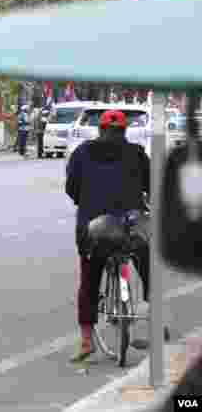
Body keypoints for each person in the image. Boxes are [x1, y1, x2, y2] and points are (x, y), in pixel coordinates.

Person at [65, 109, 152, 361]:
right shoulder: (136, 153)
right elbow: (150, 186)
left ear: (100, 130)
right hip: (129, 224)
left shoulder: (82, 152)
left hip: (95, 227)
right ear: (124, 132)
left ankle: (85, 341)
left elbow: (72, 189)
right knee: (144, 257)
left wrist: (87, 200)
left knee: (89, 280)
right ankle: (153, 313)